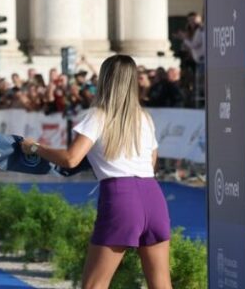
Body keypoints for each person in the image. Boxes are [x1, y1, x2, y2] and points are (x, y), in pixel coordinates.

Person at [19, 55, 171, 289]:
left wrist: (35, 147)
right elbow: (152, 163)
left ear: (105, 81)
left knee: (94, 285)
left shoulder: (98, 116)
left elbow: (71, 159)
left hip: (121, 195)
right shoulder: (144, 118)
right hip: (153, 196)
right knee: (161, 284)